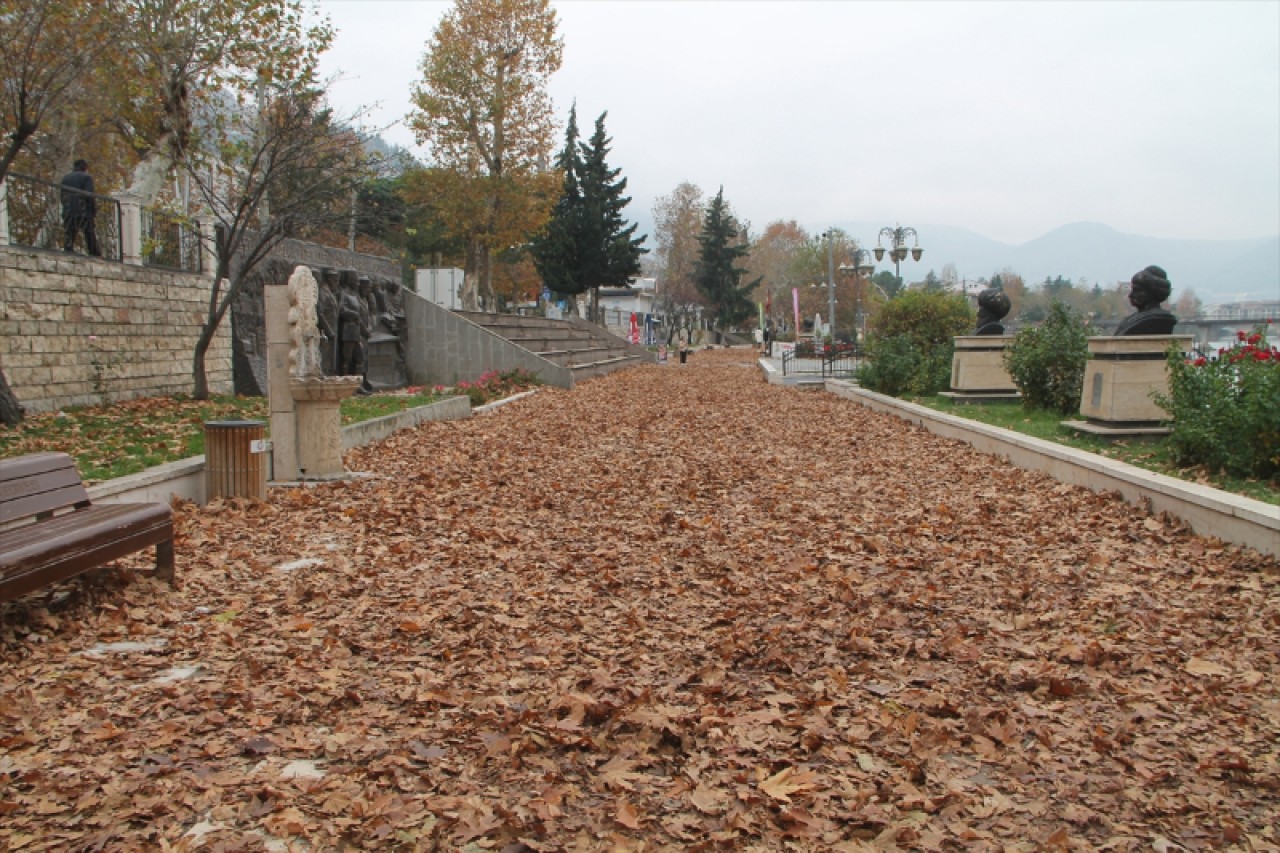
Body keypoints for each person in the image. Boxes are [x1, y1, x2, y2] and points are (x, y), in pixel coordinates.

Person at [1114, 265, 1178, 336]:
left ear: (1152, 292)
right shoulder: (1130, 320)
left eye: (1137, 290)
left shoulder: (1156, 318)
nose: (1131, 295)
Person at [60, 160, 100, 256]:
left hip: (68, 209)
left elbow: (62, 196)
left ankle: (68, 250)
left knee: (70, 231)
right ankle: (93, 252)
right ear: (85, 168)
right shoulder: (87, 177)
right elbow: (89, 194)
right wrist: (93, 210)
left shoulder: (65, 178)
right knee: (89, 232)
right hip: (83, 210)